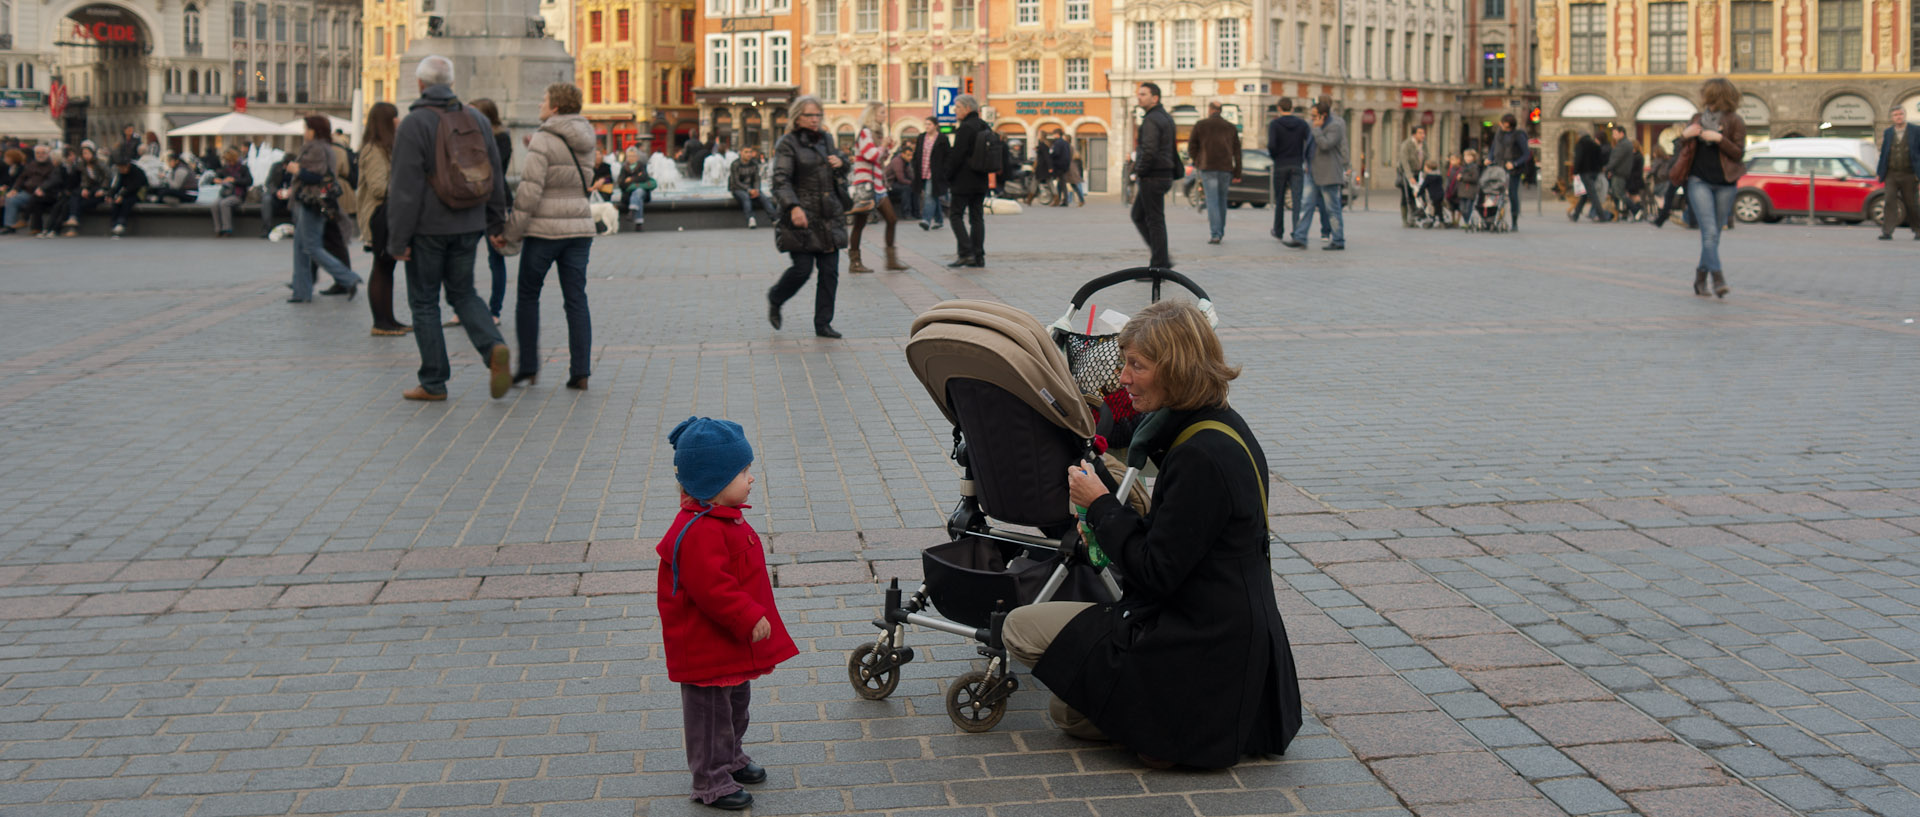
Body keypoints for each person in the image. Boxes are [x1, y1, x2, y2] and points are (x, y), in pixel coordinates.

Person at [1004, 300, 1301, 769]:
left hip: (1201, 646)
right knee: (1070, 706)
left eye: (1136, 365)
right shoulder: (1221, 426)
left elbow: (1155, 573)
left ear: (1176, 370)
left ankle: (1173, 725)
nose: (1122, 377)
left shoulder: (1199, 455)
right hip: (1231, 637)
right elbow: (1181, 544)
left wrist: (1099, 505)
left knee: (1022, 632)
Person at [655, 416, 797, 812]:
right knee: (709, 715)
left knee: (736, 704)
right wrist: (748, 615)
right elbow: (712, 588)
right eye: (742, 471)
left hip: (726, 641)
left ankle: (730, 757)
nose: (751, 478)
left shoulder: (720, 516)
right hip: (706, 644)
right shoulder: (698, 530)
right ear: (712, 482)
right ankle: (710, 780)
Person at [387, 54, 513, 402]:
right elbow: (495, 175)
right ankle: (494, 347)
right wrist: (495, 221)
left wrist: (398, 239)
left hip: (428, 227)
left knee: (425, 302)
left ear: (421, 85)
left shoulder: (414, 123)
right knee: (464, 293)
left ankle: (434, 381)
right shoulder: (476, 118)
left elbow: (404, 188)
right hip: (469, 223)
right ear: (452, 83)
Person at [498, 82, 596, 391]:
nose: (540, 103)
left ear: (554, 107)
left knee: (528, 295)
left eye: (544, 98)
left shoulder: (544, 137)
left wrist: (510, 232)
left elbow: (530, 191)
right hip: (579, 227)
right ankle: (580, 371)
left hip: (545, 230)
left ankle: (528, 367)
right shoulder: (587, 135)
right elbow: (580, 176)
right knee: (576, 299)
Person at [766, 95, 849, 339]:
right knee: (802, 269)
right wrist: (793, 207)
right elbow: (780, 180)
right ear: (797, 117)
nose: (815, 120)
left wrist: (841, 161)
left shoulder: (827, 139)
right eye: (809, 115)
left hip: (828, 215)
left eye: (818, 115)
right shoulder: (788, 143)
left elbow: (841, 167)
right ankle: (776, 297)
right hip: (802, 215)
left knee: (830, 272)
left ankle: (823, 323)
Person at [1676, 78, 1746, 299]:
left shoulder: (1735, 121)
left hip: (1726, 183)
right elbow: (1682, 148)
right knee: (1710, 231)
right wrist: (1684, 136)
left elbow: (1739, 153)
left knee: (1713, 235)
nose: (1703, 96)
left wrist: (1719, 139)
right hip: (1699, 181)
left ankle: (1700, 278)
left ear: (1716, 95)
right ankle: (1718, 278)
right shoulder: (1697, 119)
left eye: (1706, 93)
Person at [283, 115, 362, 303]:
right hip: (313, 201)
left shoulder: (316, 148)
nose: (304, 132)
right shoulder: (325, 147)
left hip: (312, 201)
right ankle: (302, 291)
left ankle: (348, 278)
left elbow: (317, 177)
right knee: (301, 247)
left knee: (311, 247)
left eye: (306, 129)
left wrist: (297, 170)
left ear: (314, 131)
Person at [357, 102, 410, 336]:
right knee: (381, 266)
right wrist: (408, 188)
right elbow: (379, 188)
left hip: (385, 213)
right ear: (385, 122)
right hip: (378, 215)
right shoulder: (374, 150)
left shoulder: (384, 148)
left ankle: (389, 319)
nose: (398, 120)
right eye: (394, 117)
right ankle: (381, 322)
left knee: (386, 266)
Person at [847, 103, 908, 273]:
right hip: (866, 185)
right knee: (860, 223)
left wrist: (887, 147)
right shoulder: (865, 133)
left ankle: (891, 260)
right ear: (872, 115)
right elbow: (872, 155)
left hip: (878, 186)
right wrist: (884, 146)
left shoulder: (875, 134)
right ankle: (855, 261)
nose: (884, 115)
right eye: (881, 113)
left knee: (892, 219)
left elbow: (880, 158)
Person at [1283, 100, 1348, 250]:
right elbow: (1309, 145)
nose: (1311, 118)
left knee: (1332, 209)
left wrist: (1317, 130)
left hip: (1329, 174)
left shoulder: (1335, 127)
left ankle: (1338, 240)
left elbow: (1325, 145)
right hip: (1312, 172)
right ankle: (1300, 237)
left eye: (1314, 115)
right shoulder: (1313, 126)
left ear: (1323, 115)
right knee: (1306, 206)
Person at [470, 98, 513, 324]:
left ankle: (494, 310)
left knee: (495, 257)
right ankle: (462, 306)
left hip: (495, 202)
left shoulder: (501, 137)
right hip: (472, 201)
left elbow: (495, 170)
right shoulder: (468, 137)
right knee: (463, 255)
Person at [1131, 83, 1177, 267]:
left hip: (1153, 175)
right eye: (1138, 94)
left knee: (1154, 220)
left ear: (1155, 98)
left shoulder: (1151, 120)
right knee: (1139, 215)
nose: (1139, 97)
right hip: (1163, 174)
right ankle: (1162, 257)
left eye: (1143, 94)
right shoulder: (1165, 117)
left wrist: (1139, 170)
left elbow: (1149, 150)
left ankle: (1159, 264)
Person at [945, 94, 991, 268]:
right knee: (977, 218)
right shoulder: (983, 125)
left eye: (957, 107)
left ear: (967, 108)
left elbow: (957, 155)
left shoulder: (965, 128)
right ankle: (978, 256)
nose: (955, 110)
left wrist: (948, 175)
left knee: (955, 215)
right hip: (981, 179)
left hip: (963, 180)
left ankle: (966, 253)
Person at [1189, 102, 1242, 244]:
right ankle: (1220, 231)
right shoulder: (1230, 127)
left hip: (1208, 167)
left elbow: (1192, 146)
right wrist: (1237, 172)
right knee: (1222, 201)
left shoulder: (1201, 125)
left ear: (1210, 110)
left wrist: (1197, 160)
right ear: (1220, 111)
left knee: (1212, 200)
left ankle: (1215, 233)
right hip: (1225, 168)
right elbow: (1237, 151)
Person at [1266, 99, 1311, 240]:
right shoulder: (1302, 124)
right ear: (1292, 108)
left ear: (1279, 108)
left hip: (1280, 164)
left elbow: (1271, 145)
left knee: (1279, 199)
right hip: (1297, 164)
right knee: (1297, 199)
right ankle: (1297, 231)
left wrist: (1275, 156)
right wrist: (1304, 158)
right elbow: (1309, 142)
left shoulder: (1275, 124)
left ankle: (1278, 230)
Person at [1876, 104, 1920, 241]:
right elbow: (1884, 153)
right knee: (1889, 201)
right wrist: (1880, 172)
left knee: (1911, 203)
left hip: (1909, 173)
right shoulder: (1888, 132)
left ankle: (1918, 230)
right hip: (1891, 174)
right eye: (1895, 115)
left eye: (1900, 114)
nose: (1898, 117)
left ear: (1904, 115)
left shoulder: (1916, 130)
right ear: (1892, 118)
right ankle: (1887, 231)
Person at [1488, 114, 1530, 230]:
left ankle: (1514, 221)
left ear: (1507, 124)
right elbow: (1493, 147)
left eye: (1502, 122)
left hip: (1513, 170)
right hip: (1499, 167)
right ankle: (1493, 218)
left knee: (1512, 194)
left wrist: (1514, 163)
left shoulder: (1518, 135)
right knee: (1495, 192)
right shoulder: (1499, 134)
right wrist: (1489, 158)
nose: (1500, 124)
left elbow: (1526, 154)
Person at [3, 144, 56, 234]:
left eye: (43, 153)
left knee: (35, 199)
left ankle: (25, 220)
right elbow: (21, 178)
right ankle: (9, 226)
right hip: (27, 192)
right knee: (11, 199)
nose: (40, 155)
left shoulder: (52, 166)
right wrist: (14, 189)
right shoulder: (31, 164)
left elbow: (52, 180)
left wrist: (42, 188)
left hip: (44, 193)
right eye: (38, 153)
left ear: (48, 154)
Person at [1570, 125, 1611, 222]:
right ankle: (1576, 214)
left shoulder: (1580, 144)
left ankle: (1602, 216)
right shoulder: (1594, 144)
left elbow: (1578, 159)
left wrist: (1575, 172)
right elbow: (1600, 159)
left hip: (1585, 172)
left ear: (1580, 136)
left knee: (1592, 194)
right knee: (1586, 193)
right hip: (1595, 172)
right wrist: (1599, 168)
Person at [209, 148, 253, 238]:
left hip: (238, 195)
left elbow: (249, 181)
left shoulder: (243, 168)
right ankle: (218, 229)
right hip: (225, 193)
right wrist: (216, 180)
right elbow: (214, 178)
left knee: (224, 204)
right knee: (214, 205)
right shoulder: (225, 169)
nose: (228, 163)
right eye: (227, 161)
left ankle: (227, 229)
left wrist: (235, 180)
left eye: (230, 161)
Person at [729, 145, 775, 228]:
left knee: (764, 198)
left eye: (750, 152)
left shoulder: (754, 163)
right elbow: (736, 182)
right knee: (745, 197)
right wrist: (749, 190)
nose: (748, 154)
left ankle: (775, 219)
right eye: (746, 152)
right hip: (737, 189)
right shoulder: (735, 164)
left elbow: (757, 179)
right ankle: (751, 218)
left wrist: (757, 189)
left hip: (752, 189)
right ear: (741, 153)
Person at [106, 157, 149, 237]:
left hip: (139, 193)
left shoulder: (137, 172)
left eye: (122, 168)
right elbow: (118, 185)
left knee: (127, 202)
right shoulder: (122, 173)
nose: (121, 170)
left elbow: (134, 187)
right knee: (116, 203)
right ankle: (114, 222)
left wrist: (122, 195)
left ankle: (121, 222)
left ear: (127, 166)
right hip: (127, 193)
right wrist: (110, 195)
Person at [1395, 125, 1428, 227]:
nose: (1423, 135)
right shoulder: (1407, 144)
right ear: (1414, 134)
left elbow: (1427, 158)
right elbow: (1404, 161)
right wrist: (1410, 176)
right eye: (1420, 133)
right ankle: (1405, 220)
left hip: (1419, 173)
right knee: (1406, 196)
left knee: (1418, 196)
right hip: (1406, 173)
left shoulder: (1423, 145)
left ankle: (1415, 217)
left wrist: (1426, 172)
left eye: (1423, 133)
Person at [918, 119, 947, 230]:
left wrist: (945, 170)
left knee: (928, 195)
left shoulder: (942, 138)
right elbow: (917, 154)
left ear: (935, 126)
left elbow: (947, 155)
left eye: (929, 124)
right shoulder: (922, 137)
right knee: (933, 196)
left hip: (935, 172)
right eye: (925, 124)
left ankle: (926, 220)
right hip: (923, 171)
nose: (927, 126)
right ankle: (939, 220)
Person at [1604, 126, 1637, 220]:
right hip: (1618, 172)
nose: (1613, 136)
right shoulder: (1623, 143)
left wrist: (1607, 168)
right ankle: (1616, 214)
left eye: (1615, 133)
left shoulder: (1623, 144)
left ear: (1621, 133)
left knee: (1619, 193)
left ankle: (1636, 211)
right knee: (1615, 193)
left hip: (1620, 173)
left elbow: (1616, 159)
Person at [619, 146, 655, 231]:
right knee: (638, 196)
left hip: (642, 192)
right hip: (628, 194)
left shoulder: (641, 166)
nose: (631, 158)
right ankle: (638, 223)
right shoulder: (624, 168)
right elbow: (621, 183)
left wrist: (631, 179)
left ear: (637, 157)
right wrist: (637, 179)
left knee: (638, 191)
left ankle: (632, 211)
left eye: (633, 156)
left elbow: (644, 178)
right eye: (629, 156)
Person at [886, 141, 917, 220]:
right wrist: (911, 183)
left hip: (897, 183)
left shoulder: (906, 161)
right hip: (890, 184)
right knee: (907, 188)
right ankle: (906, 213)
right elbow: (901, 179)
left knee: (914, 188)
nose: (910, 157)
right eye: (908, 155)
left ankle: (916, 213)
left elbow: (910, 175)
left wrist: (915, 183)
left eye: (911, 155)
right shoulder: (897, 161)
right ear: (903, 154)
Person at [1050, 133, 1077, 206]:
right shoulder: (1066, 144)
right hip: (1065, 166)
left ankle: (1063, 200)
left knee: (1063, 183)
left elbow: (1056, 153)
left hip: (1060, 166)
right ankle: (1061, 200)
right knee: (1061, 183)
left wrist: (1051, 157)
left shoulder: (1060, 143)